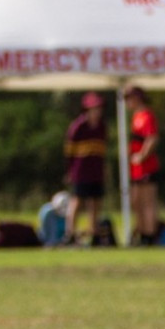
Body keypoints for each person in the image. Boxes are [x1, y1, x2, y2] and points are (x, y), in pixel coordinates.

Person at [62, 93, 108, 243]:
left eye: (99, 108)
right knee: (78, 200)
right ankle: (70, 233)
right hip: (81, 171)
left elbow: (102, 150)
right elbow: (69, 152)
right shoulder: (78, 126)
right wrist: (70, 171)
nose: (97, 111)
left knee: (95, 202)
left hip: (96, 171)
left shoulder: (102, 126)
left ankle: (94, 233)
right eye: (94, 108)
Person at [123, 86, 160, 241]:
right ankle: (142, 232)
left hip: (147, 167)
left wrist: (142, 156)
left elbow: (152, 137)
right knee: (136, 201)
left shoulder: (146, 115)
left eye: (128, 98)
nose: (126, 102)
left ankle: (150, 235)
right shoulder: (136, 116)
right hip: (136, 169)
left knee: (147, 202)